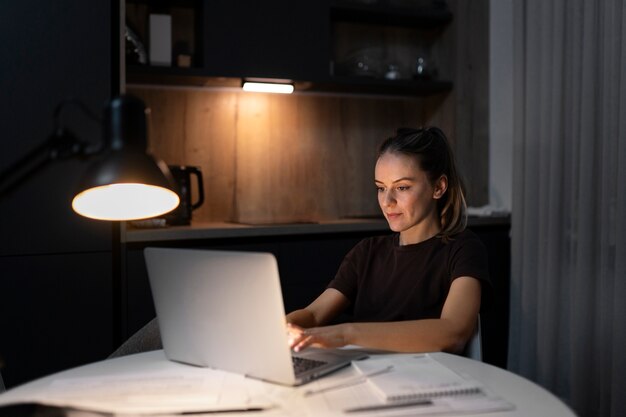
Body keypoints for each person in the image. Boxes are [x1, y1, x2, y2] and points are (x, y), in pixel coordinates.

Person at [286, 127, 492, 354]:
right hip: (364, 374)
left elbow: (453, 332)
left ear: (438, 187)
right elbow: (314, 314)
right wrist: (283, 327)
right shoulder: (367, 252)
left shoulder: (463, 249)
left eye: (402, 187)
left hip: (426, 380)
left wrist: (346, 335)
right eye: (381, 188)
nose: (387, 201)